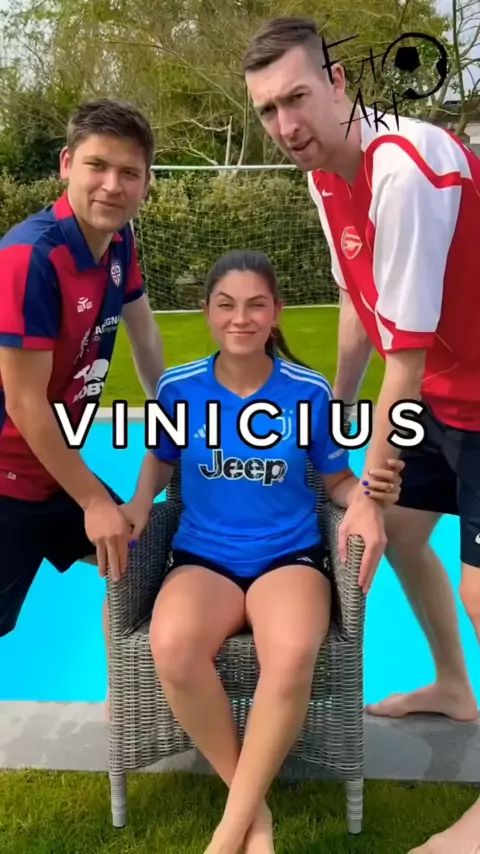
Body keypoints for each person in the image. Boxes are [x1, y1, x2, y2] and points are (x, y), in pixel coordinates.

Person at [241, 16, 480, 854]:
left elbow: (402, 364)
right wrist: (335, 423)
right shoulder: (325, 177)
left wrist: (371, 492)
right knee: (410, 539)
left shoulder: (405, 168)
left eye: (297, 97)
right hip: (447, 392)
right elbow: (359, 305)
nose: (286, 124)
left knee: (477, 586)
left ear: (339, 82)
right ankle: (455, 687)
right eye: (268, 110)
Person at [121, 248, 403, 854]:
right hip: (204, 557)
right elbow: (160, 459)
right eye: (226, 305)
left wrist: (368, 497)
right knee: (173, 648)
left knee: (293, 652)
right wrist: (140, 501)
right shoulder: (179, 388)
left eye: (255, 305)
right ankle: (255, 812)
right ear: (207, 312)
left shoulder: (308, 390)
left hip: (288, 556)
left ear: (276, 312)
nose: (240, 318)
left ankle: (230, 831)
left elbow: (335, 479)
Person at [0, 97, 165, 641]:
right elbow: (24, 402)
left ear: (145, 183)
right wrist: (94, 500)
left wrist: (171, 426)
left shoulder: (120, 241)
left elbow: (145, 336)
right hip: (6, 484)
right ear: (67, 164)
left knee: (143, 564)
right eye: (98, 166)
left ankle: (130, 691)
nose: (112, 186)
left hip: (56, 473)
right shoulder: (30, 258)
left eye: (129, 173)